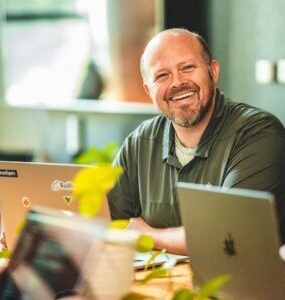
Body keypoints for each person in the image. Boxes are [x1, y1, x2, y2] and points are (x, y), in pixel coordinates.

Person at [107, 28, 285, 255]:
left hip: (233, 289)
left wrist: (147, 234)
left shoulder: (258, 134)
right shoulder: (139, 142)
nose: (177, 83)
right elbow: (110, 224)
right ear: (148, 90)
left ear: (213, 72)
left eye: (187, 68)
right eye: (162, 75)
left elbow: (229, 237)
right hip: (158, 286)